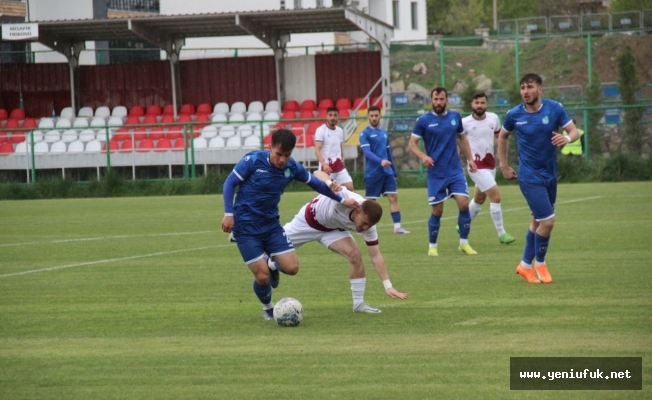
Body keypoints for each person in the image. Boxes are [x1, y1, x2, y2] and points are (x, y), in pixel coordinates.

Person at [222, 129, 359, 320]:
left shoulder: (291, 167)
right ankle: (268, 308)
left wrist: (341, 200)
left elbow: (316, 184)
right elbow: (229, 183)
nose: (282, 160)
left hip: (271, 226)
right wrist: (229, 214)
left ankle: (272, 266)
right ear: (270, 147)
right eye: (278, 154)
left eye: (286, 156)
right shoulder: (253, 161)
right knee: (262, 277)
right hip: (245, 227)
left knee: (292, 268)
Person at [282, 170, 408, 313]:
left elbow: (376, 256)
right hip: (307, 222)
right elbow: (317, 172)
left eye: (369, 225)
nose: (365, 228)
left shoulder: (369, 228)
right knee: (272, 250)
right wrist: (330, 183)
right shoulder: (345, 196)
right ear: (358, 209)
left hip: (331, 230)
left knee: (355, 256)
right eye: (365, 222)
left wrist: (388, 286)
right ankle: (273, 267)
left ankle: (358, 304)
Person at [497, 73, 581, 284]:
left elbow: (573, 131)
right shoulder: (514, 114)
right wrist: (504, 165)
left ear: (540, 89)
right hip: (528, 175)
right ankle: (540, 263)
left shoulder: (554, 108)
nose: (525, 91)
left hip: (550, 173)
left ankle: (524, 266)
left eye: (530, 87)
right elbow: (503, 136)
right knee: (548, 221)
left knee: (537, 221)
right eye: (523, 87)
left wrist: (567, 138)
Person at [408, 87, 478, 256]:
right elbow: (412, 144)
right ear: (431, 101)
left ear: (447, 100)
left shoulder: (455, 117)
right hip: (435, 173)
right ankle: (432, 246)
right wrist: (423, 157)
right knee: (438, 210)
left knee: (463, 203)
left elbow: (462, 138)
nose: (438, 102)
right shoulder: (424, 121)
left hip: (454, 170)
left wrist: (470, 159)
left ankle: (464, 243)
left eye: (441, 99)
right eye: (435, 99)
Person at [460, 92, 515, 244]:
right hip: (475, 166)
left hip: (490, 164)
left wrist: (500, 155)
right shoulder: (464, 122)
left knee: (479, 198)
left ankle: (463, 223)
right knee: (496, 196)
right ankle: (501, 234)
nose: (479, 106)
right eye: (476, 103)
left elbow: (499, 138)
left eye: (482, 103)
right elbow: (459, 142)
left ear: (486, 104)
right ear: (472, 104)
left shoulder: (494, 118)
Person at [359, 105, 410, 234]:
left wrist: (393, 170)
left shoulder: (383, 133)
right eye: (372, 116)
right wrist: (380, 161)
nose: (374, 118)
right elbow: (367, 152)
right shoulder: (364, 133)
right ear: (368, 117)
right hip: (373, 173)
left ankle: (397, 227)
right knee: (370, 203)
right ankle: (364, 227)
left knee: (393, 197)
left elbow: (388, 153)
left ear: (380, 116)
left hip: (387, 173)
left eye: (376, 115)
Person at [314, 106, 354, 191]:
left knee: (350, 189)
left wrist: (342, 161)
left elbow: (339, 148)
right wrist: (324, 165)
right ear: (326, 116)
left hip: (339, 166)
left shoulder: (340, 131)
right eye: (330, 115)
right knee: (327, 194)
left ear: (338, 117)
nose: (333, 117)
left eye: (335, 115)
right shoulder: (321, 130)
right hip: (326, 168)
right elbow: (317, 150)